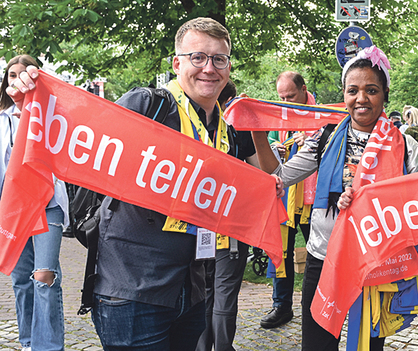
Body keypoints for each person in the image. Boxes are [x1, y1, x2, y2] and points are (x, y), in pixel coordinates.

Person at [7, 17, 260, 351]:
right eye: (198, 57)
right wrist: (36, 103)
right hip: (132, 293)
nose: (209, 68)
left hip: (194, 290)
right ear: (177, 63)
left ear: (228, 67)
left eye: (218, 59)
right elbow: (78, 137)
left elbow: (261, 183)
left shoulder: (223, 129)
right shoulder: (147, 105)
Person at [251, 46, 418, 351]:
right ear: (344, 95)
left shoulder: (406, 147)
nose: (361, 98)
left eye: (371, 90)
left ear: (385, 93)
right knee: (317, 344)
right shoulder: (325, 137)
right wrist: (256, 130)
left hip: (375, 262)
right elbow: (279, 176)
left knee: (369, 346)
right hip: (323, 257)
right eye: (353, 90)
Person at [2, 55, 70, 351]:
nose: (17, 79)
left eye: (23, 74)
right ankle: (29, 343)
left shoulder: (53, 116)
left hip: (47, 204)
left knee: (44, 277)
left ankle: (49, 347)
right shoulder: (2, 121)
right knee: (21, 280)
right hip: (13, 209)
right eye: (11, 75)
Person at [197, 78, 258, 351]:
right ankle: (222, 347)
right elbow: (262, 172)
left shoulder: (191, 125)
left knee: (202, 290)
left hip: (196, 223)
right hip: (232, 223)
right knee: (224, 292)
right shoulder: (238, 129)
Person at [261, 71, 314, 329]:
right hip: (284, 196)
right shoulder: (279, 113)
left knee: (317, 254)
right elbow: (269, 142)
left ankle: (316, 306)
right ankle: (281, 306)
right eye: (281, 96)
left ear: (304, 90)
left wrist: (313, 139)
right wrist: (276, 148)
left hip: (312, 199)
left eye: (290, 96)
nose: (286, 101)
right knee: (280, 252)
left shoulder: (321, 116)